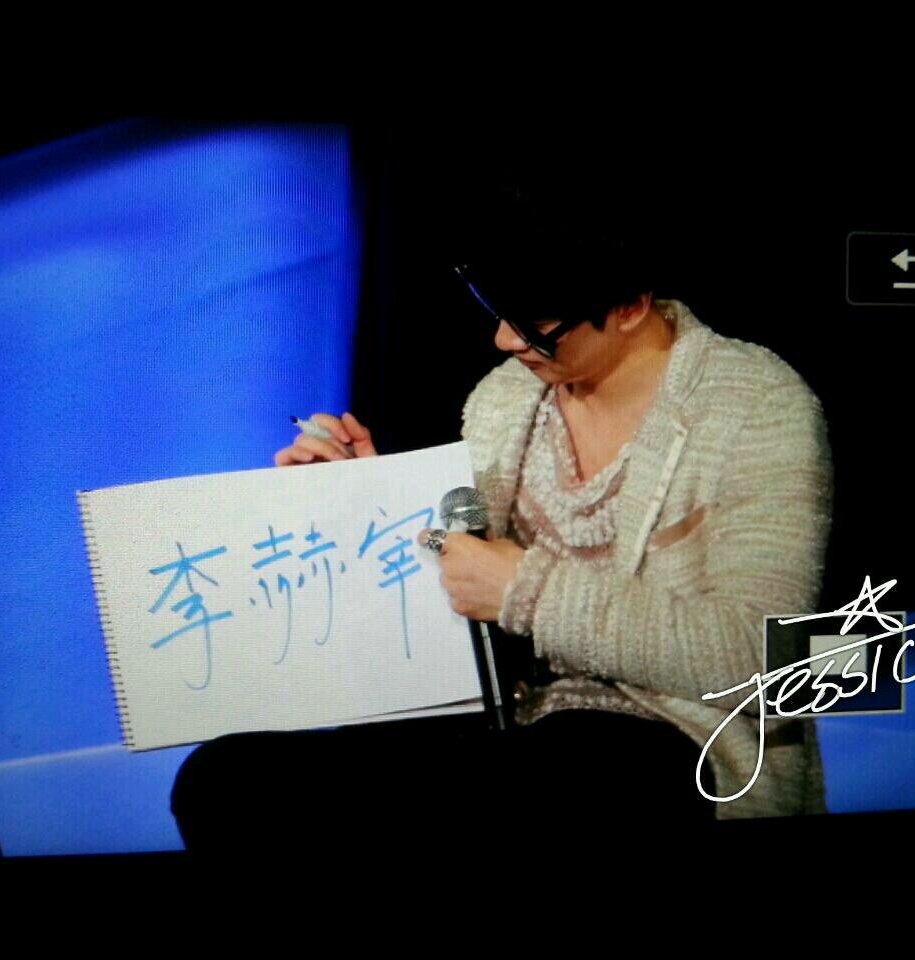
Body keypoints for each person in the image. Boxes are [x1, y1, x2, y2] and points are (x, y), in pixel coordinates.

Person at [171, 185, 833, 847]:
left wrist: (529, 592)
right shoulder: (506, 396)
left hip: (672, 744)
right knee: (227, 779)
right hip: (510, 727)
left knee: (556, 772)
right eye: (498, 312)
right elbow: (465, 582)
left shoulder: (756, 405)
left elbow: (769, 662)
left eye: (535, 322)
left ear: (630, 307)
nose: (505, 339)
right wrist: (368, 501)